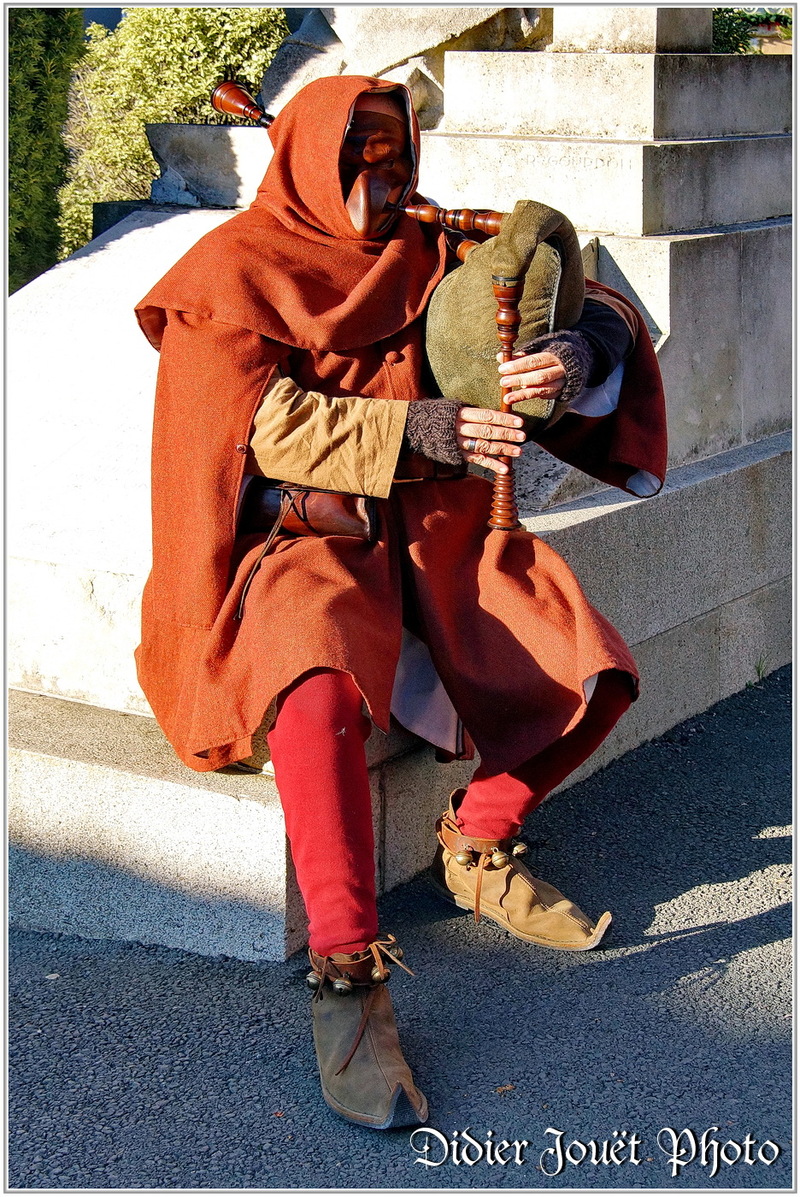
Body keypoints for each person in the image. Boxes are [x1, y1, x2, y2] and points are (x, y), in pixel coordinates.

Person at [135, 75, 666, 1131]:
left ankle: (475, 839)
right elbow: (253, 429)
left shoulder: (426, 250)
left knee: (586, 666)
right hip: (303, 535)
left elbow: (595, 292)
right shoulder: (227, 274)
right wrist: (417, 431)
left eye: (395, 150)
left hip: (433, 531)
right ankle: (346, 982)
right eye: (358, 153)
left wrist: (572, 349)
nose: (384, 174)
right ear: (302, 157)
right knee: (315, 684)